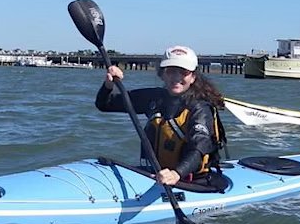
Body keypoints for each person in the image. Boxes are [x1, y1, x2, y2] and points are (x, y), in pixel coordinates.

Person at [95, 45, 226, 188]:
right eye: (171, 71)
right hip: (155, 174)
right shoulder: (153, 98)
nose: (176, 77)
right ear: (162, 74)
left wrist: (176, 174)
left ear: (193, 77)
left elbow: (199, 147)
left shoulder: (200, 108)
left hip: (192, 181)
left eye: (183, 72)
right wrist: (108, 85)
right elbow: (104, 104)